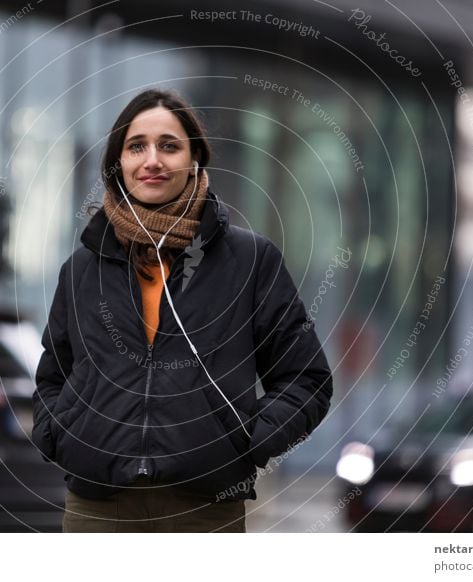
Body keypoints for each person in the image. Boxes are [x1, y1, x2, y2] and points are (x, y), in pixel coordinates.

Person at [32, 88, 332, 533]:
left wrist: (248, 442)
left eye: (169, 146)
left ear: (195, 159)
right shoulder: (81, 268)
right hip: (97, 506)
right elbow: (53, 377)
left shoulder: (250, 260)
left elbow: (307, 379)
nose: (152, 159)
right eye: (137, 146)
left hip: (206, 508)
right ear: (119, 163)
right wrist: (62, 437)